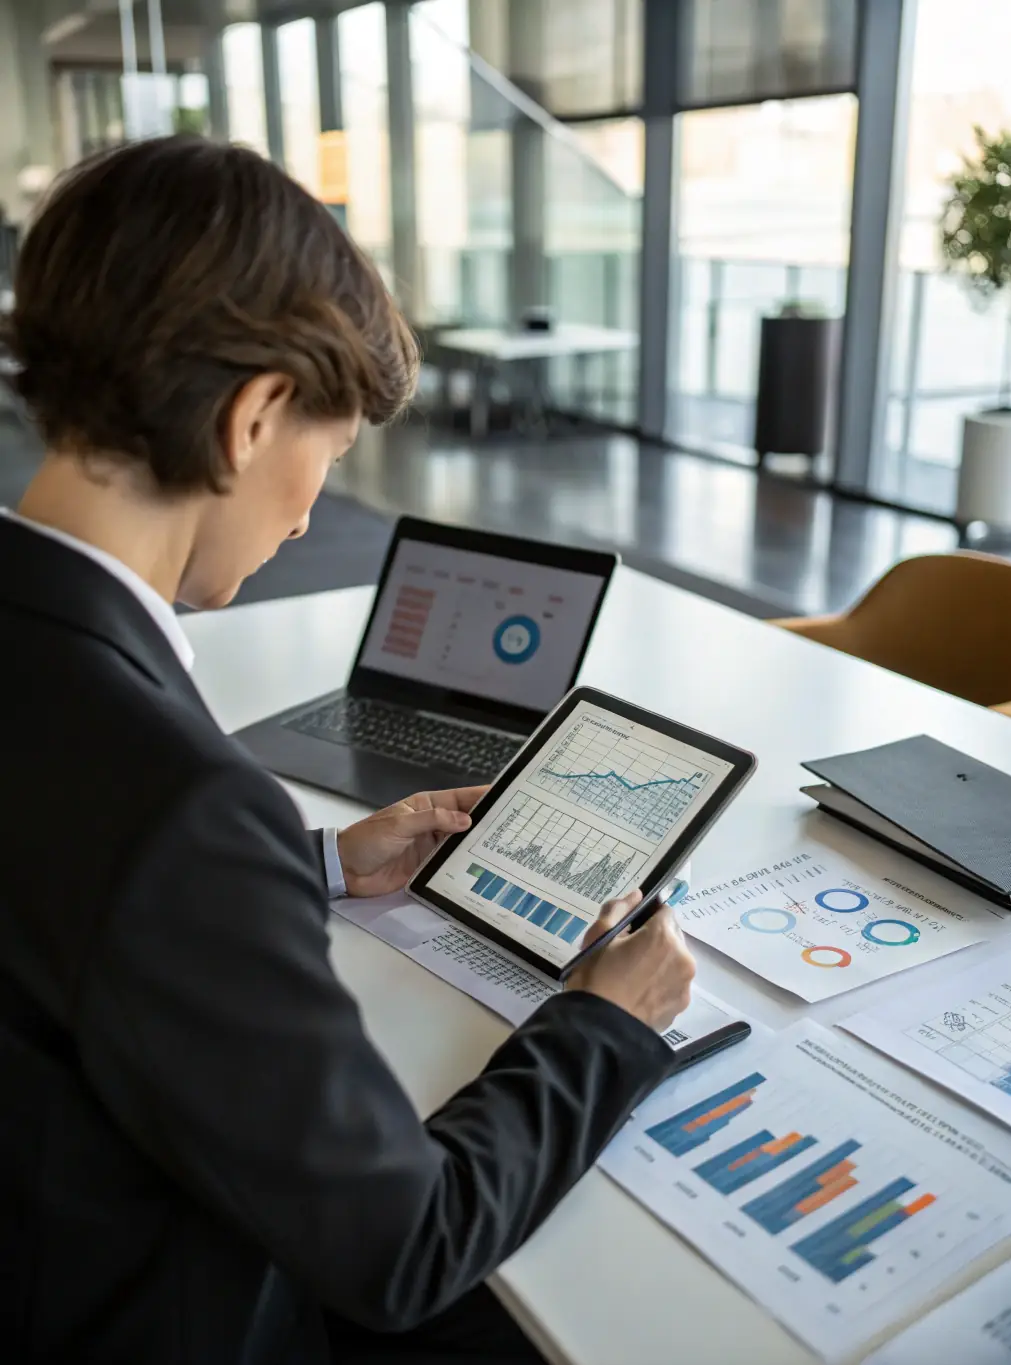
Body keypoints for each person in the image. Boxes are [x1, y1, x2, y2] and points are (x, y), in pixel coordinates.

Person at [0, 137, 697, 1365]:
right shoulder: (175, 807)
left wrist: (313, 866)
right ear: (253, 414)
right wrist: (605, 1021)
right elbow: (402, 1244)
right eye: (325, 454)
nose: (315, 510)